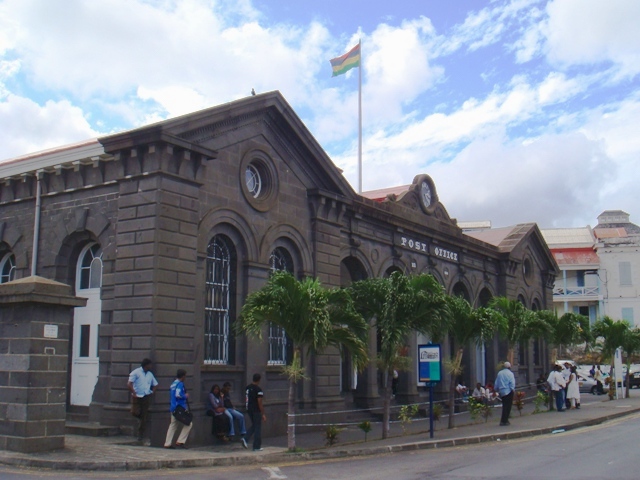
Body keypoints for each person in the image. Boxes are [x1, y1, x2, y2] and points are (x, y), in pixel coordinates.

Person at [127, 358, 158, 443]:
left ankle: (140, 434)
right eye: (150, 365)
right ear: (146, 365)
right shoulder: (136, 372)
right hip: (137, 396)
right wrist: (133, 392)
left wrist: (152, 392)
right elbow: (129, 383)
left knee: (144, 416)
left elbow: (155, 384)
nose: (151, 366)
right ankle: (140, 419)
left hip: (146, 395)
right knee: (135, 411)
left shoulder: (150, 374)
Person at [164, 369, 192, 449]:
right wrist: (185, 396)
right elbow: (178, 394)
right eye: (185, 376)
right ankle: (180, 441)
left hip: (173, 408)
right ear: (183, 376)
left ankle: (167, 443)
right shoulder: (180, 384)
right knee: (189, 423)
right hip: (180, 408)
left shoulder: (173, 383)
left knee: (173, 425)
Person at [222, 382, 248, 448]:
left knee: (241, 416)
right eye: (227, 388)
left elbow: (228, 401)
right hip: (224, 409)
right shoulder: (221, 393)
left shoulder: (227, 393)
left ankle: (243, 431)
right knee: (230, 417)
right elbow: (220, 402)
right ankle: (231, 433)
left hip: (230, 408)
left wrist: (232, 406)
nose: (228, 390)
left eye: (229, 389)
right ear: (224, 387)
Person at [245, 373, 266, 451]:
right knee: (257, 427)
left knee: (254, 425)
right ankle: (256, 446)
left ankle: (246, 439)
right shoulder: (258, 390)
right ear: (259, 380)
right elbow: (259, 402)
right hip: (256, 410)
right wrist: (263, 413)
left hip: (249, 409)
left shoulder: (247, 388)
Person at [494, 361, 515, 426]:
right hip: (508, 391)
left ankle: (505, 420)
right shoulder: (510, 373)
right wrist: (512, 389)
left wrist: (496, 389)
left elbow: (496, 383)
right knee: (508, 406)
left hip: (502, 391)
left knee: (504, 405)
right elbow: (512, 383)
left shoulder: (500, 373)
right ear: (509, 367)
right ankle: (504, 420)